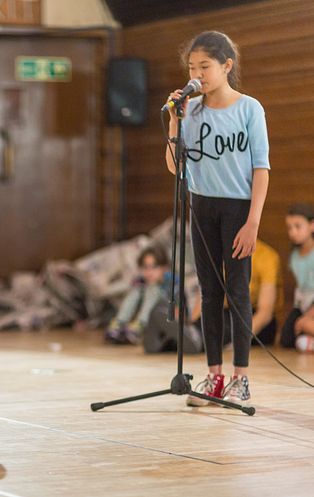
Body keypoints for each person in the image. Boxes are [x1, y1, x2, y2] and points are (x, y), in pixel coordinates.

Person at [165, 31, 270, 408]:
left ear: (227, 65)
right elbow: (176, 168)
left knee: (237, 290)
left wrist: (253, 221)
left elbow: (261, 168)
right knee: (209, 292)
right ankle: (214, 375)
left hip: (238, 209)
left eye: (204, 67)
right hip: (202, 206)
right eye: (192, 68)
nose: (197, 74)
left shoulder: (249, 109)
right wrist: (176, 124)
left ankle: (241, 378)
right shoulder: (191, 111)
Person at [105, 246, 171, 345]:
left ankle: (139, 327)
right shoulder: (141, 282)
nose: (149, 272)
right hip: (142, 313)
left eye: (154, 267)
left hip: (162, 315)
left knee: (153, 289)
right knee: (135, 291)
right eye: (145, 267)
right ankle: (118, 324)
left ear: (165, 268)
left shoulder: (171, 280)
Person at [222, 238, 282, 347]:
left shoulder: (266, 256)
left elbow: (265, 313)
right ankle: (192, 334)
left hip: (256, 320)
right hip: (230, 312)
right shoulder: (222, 251)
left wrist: (239, 340)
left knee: (227, 327)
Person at [280, 203, 314, 351]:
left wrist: (309, 316)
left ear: (312, 226)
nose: (292, 232)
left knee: (304, 325)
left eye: (298, 226)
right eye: (289, 227)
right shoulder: (294, 256)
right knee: (287, 338)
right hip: (303, 304)